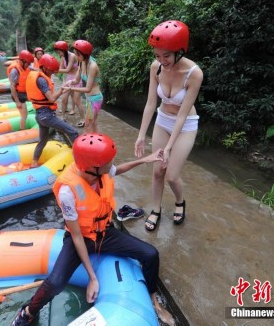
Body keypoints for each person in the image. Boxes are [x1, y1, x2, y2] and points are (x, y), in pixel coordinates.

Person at [11, 133, 175, 326]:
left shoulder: (100, 171)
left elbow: (118, 170)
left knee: (150, 254)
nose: (111, 165)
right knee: (55, 282)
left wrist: (146, 159)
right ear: (92, 167)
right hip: (80, 237)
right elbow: (77, 235)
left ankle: (154, 301)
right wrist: (92, 277)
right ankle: (28, 312)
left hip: (105, 232)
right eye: (108, 162)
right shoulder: (67, 191)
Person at [135, 20, 203, 231]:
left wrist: (169, 148)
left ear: (180, 52)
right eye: (157, 55)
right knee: (157, 172)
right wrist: (140, 135)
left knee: (172, 175)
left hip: (185, 125)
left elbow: (183, 115)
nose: (161, 60)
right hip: (163, 120)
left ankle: (180, 201)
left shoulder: (194, 74)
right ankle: (156, 209)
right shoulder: (156, 68)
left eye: (166, 55)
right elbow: (150, 103)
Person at [26, 53, 79, 168]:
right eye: (51, 71)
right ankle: (80, 162)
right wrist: (61, 90)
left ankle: (34, 163)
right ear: (44, 67)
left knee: (42, 141)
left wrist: (61, 90)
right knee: (73, 132)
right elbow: (52, 98)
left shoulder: (36, 75)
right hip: (46, 116)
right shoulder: (42, 80)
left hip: (40, 116)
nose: (52, 73)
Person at [62, 40, 102, 133]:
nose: (76, 57)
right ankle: (96, 144)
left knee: (88, 125)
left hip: (95, 99)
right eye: (75, 54)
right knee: (93, 123)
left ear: (84, 54)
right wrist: (69, 82)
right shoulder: (81, 62)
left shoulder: (93, 66)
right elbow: (76, 80)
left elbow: (88, 89)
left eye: (77, 54)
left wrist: (71, 88)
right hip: (89, 98)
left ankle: (92, 144)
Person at [54, 40, 85, 127]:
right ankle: (63, 117)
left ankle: (82, 118)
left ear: (63, 50)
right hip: (68, 80)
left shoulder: (72, 56)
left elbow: (67, 69)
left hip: (76, 79)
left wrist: (54, 70)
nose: (58, 54)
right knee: (64, 98)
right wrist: (55, 71)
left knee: (77, 100)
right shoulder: (63, 57)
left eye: (59, 52)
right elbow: (61, 70)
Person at [7, 50, 34, 130]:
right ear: (22, 61)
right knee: (24, 115)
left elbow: (35, 70)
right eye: (28, 63)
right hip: (18, 95)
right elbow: (12, 87)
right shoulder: (14, 71)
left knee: (38, 100)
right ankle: (22, 130)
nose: (29, 65)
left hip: (24, 93)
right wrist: (17, 101)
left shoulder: (26, 67)